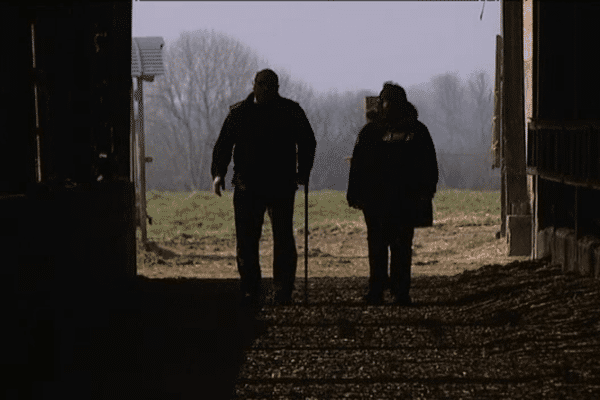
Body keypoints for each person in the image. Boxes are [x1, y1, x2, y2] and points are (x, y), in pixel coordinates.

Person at [211, 69, 317, 307]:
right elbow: (224, 145)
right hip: (253, 185)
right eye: (263, 85)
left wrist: (303, 172)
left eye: (271, 86)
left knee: (281, 240)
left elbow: (308, 141)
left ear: (277, 88)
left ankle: (281, 290)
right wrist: (218, 173)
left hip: (275, 185)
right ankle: (252, 289)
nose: (266, 90)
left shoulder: (288, 111)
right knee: (249, 241)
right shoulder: (244, 113)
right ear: (254, 85)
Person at [347, 82, 438, 306]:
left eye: (387, 101)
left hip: (397, 200)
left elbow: (428, 166)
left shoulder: (379, 132)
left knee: (395, 247)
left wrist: (426, 191)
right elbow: (358, 165)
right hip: (385, 200)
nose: (385, 106)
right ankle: (384, 290)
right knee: (385, 247)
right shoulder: (414, 131)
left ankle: (395, 291)